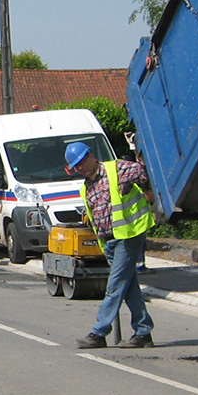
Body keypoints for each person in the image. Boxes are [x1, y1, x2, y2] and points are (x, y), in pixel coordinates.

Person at [67, 141, 154, 348]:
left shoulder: (117, 169)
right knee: (129, 286)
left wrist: (148, 192)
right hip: (109, 241)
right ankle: (143, 332)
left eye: (81, 162)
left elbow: (145, 172)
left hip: (128, 235)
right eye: (76, 167)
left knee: (114, 286)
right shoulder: (86, 188)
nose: (80, 168)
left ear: (91, 156)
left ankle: (99, 332)